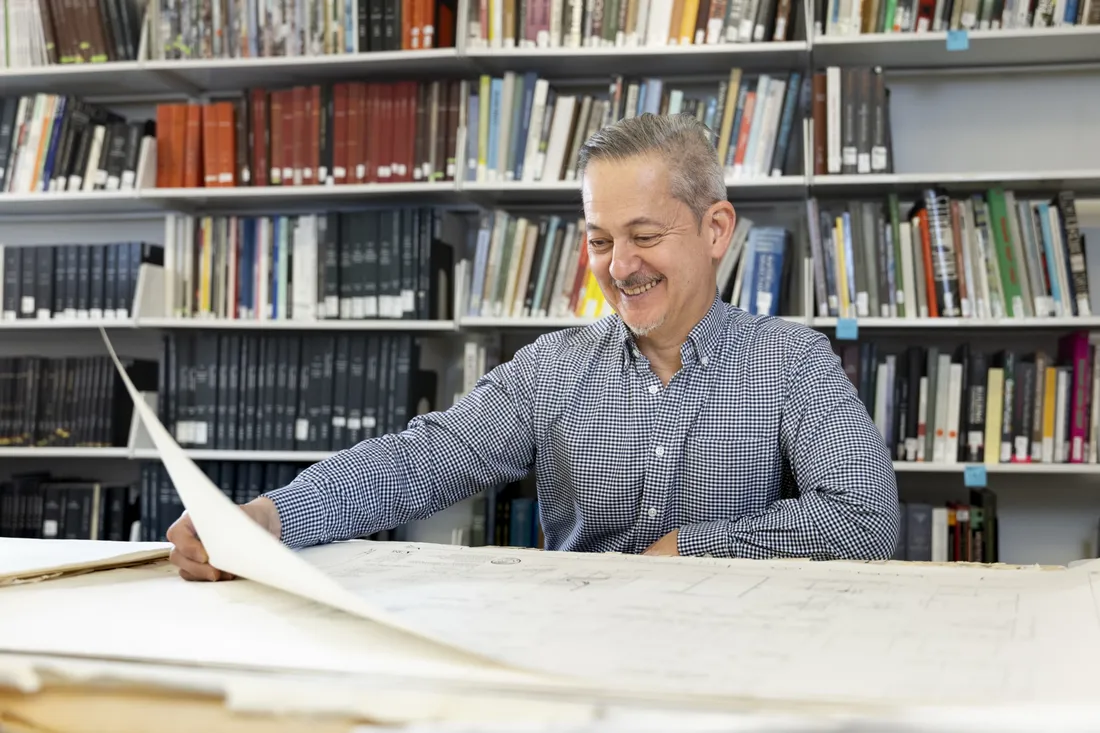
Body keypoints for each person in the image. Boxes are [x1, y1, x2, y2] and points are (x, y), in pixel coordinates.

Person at [168, 113, 900, 582]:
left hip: (736, 671)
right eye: (600, 240)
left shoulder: (792, 362)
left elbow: (863, 518)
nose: (620, 266)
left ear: (715, 231)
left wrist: (690, 547)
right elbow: (420, 460)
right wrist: (268, 517)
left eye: (645, 236)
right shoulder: (552, 367)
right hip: (570, 669)